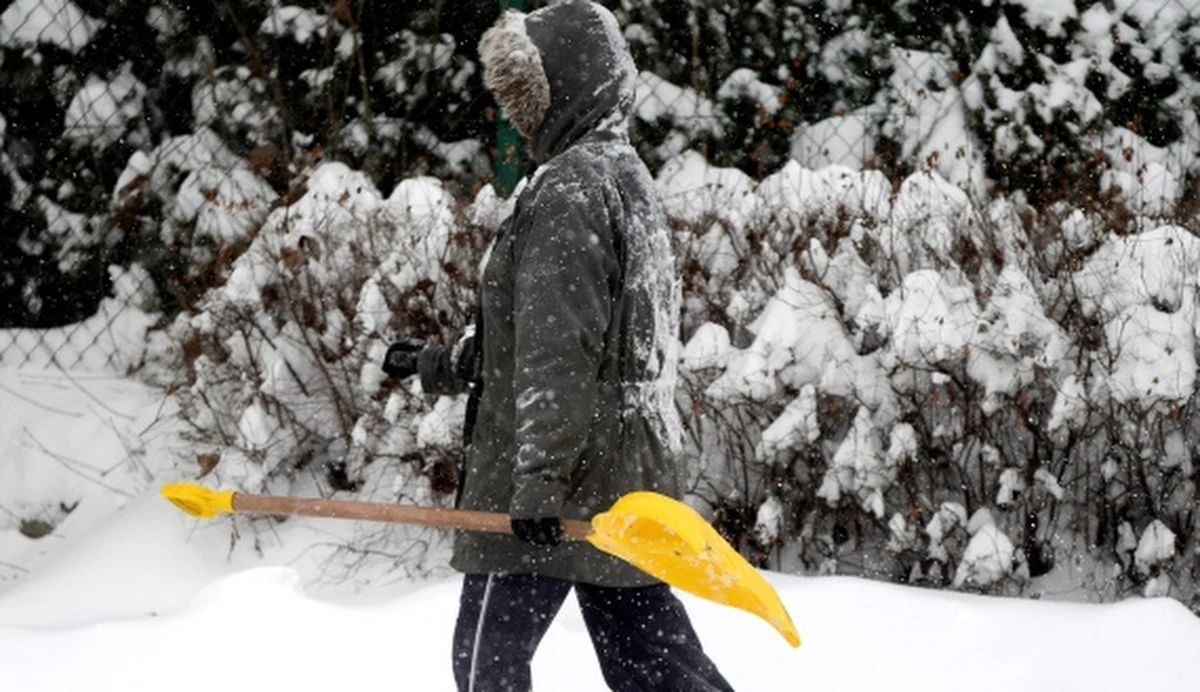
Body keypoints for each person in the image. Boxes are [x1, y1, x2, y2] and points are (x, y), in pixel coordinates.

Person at [383, 2, 733, 690]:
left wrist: (538, 485)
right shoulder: (624, 176)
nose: (518, 115)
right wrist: (437, 364)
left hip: (551, 480)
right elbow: (562, 342)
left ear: (562, 88)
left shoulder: (571, 189)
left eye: (526, 95)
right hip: (620, 476)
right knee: (657, 666)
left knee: (488, 663)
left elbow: (559, 355)